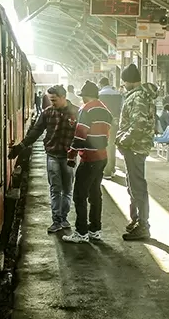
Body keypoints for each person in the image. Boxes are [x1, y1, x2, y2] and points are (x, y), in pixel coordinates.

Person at [8, 85, 79, 233]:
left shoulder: (76, 112)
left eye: (54, 100)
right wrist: (21, 146)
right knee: (55, 189)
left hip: (69, 157)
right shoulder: (48, 113)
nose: (52, 103)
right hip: (53, 155)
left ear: (63, 97)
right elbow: (36, 131)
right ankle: (57, 220)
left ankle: (63, 218)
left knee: (67, 190)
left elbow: (83, 134)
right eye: (50, 100)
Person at [62, 81, 113, 243]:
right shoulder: (105, 110)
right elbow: (106, 132)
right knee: (95, 194)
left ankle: (81, 232)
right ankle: (95, 230)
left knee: (79, 195)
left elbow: (80, 134)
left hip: (89, 158)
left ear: (85, 96)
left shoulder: (86, 109)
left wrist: (71, 156)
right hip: (102, 157)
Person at [115, 64, 157, 241]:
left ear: (130, 81)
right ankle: (136, 220)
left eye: (124, 82)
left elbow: (137, 125)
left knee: (137, 187)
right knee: (132, 185)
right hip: (135, 148)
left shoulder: (137, 97)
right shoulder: (138, 95)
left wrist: (123, 141)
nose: (123, 85)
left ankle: (143, 225)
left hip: (135, 148)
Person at [98, 76, 123, 179]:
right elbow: (122, 108)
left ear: (101, 85)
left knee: (103, 146)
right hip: (115, 122)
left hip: (103, 123)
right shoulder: (118, 94)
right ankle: (112, 169)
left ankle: (107, 170)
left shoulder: (99, 95)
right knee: (112, 145)